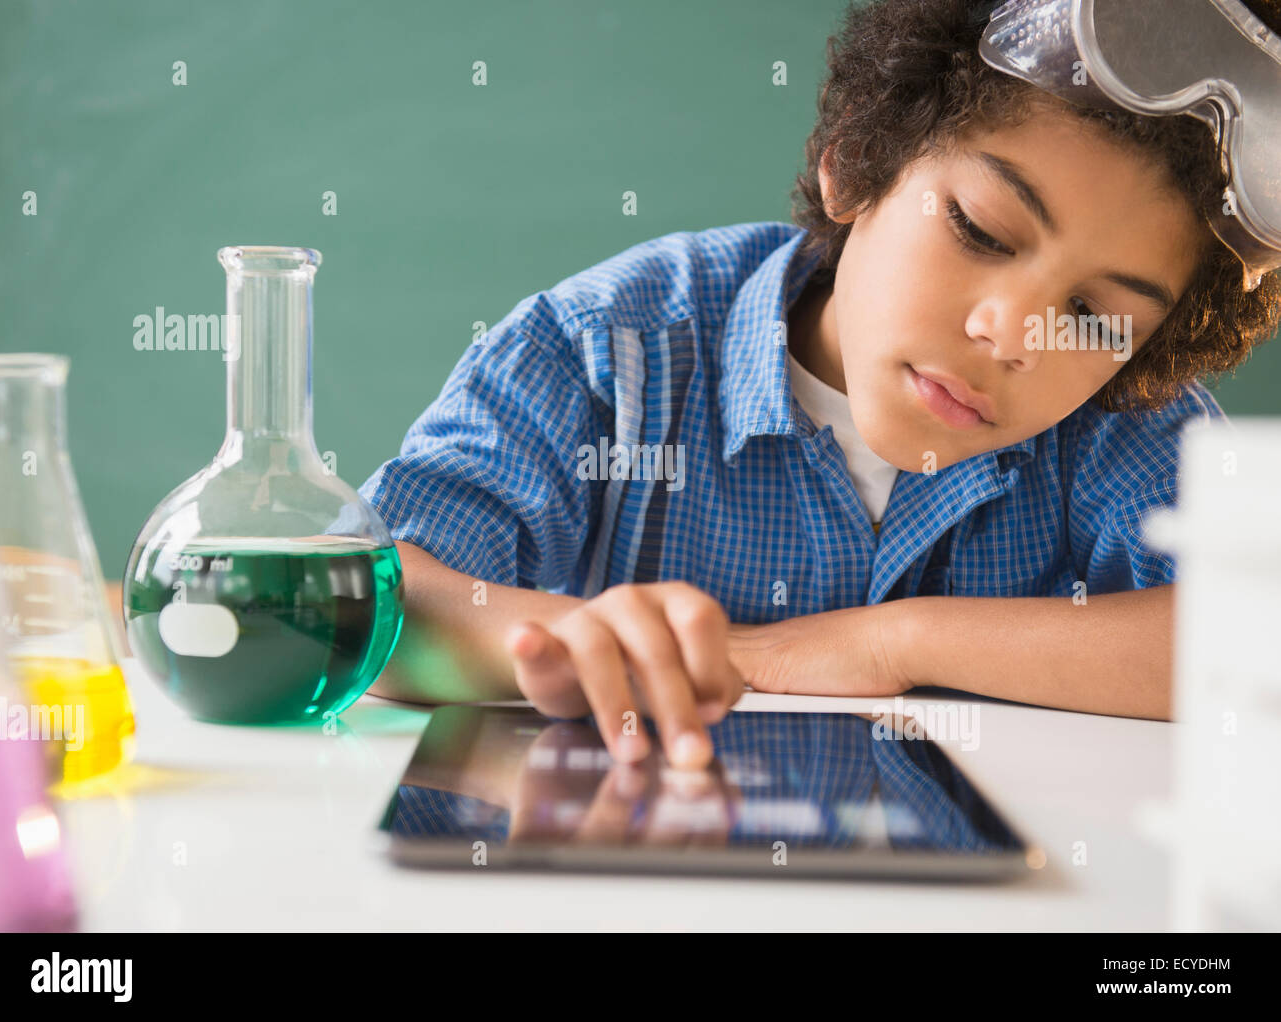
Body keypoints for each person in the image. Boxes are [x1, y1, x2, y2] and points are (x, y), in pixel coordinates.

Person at [359, 0, 1281, 768]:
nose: (1013, 336)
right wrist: (583, 647)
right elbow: (367, 594)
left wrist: (887, 644)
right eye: (982, 231)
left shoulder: (1117, 424)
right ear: (857, 160)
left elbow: (1260, 637)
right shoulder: (608, 351)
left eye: (1095, 317)